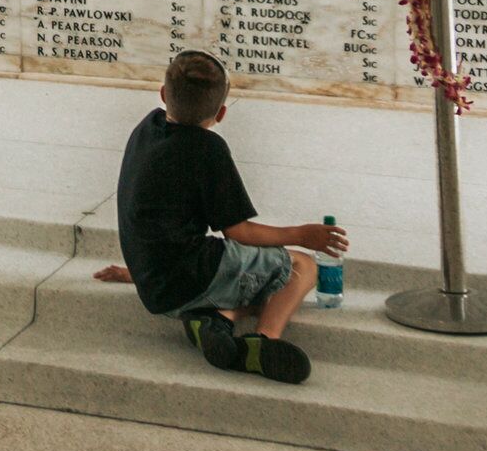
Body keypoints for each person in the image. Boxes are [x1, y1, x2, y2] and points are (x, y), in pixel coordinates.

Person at [96, 49, 346, 385]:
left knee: (254, 280)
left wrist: (135, 273)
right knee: (301, 268)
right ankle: (264, 341)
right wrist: (301, 235)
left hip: (155, 286)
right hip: (190, 276)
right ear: (222, 112)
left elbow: (155, 217)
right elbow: (238, 232)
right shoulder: (207, 149)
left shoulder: (147, 128)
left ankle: (215, 319)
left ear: (162, 95)